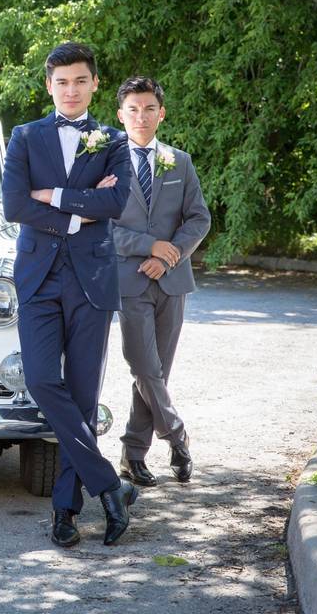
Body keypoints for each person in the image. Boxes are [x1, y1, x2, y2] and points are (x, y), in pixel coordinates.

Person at [1, 42, 135, 547]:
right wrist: (83, 210)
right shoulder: (25, 136)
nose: (71, 90)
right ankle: (110, 485)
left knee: (82, 397)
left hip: (91, 281)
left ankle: (65, 512)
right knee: (40, 380)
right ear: (49, 85)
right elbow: (15, 204)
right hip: (38, 277)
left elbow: (117, 200)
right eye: (62, 82)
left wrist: (54, 197)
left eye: (80, 81)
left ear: (94, 84)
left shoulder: (112, 139)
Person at [112, 76, 211, 486]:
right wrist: (150, 246)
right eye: (132, 109)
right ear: (120, 115)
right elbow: (103, 227)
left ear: (161, 113)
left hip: (173, 281)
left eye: (149, 108)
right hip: (130, 279)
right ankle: (177, 434)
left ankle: (132, 456)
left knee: (156, 372)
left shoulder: (179, 162)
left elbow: (199, 218)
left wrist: (169, 256)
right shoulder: (105, 164)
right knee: (143, 365)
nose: (141, 116)